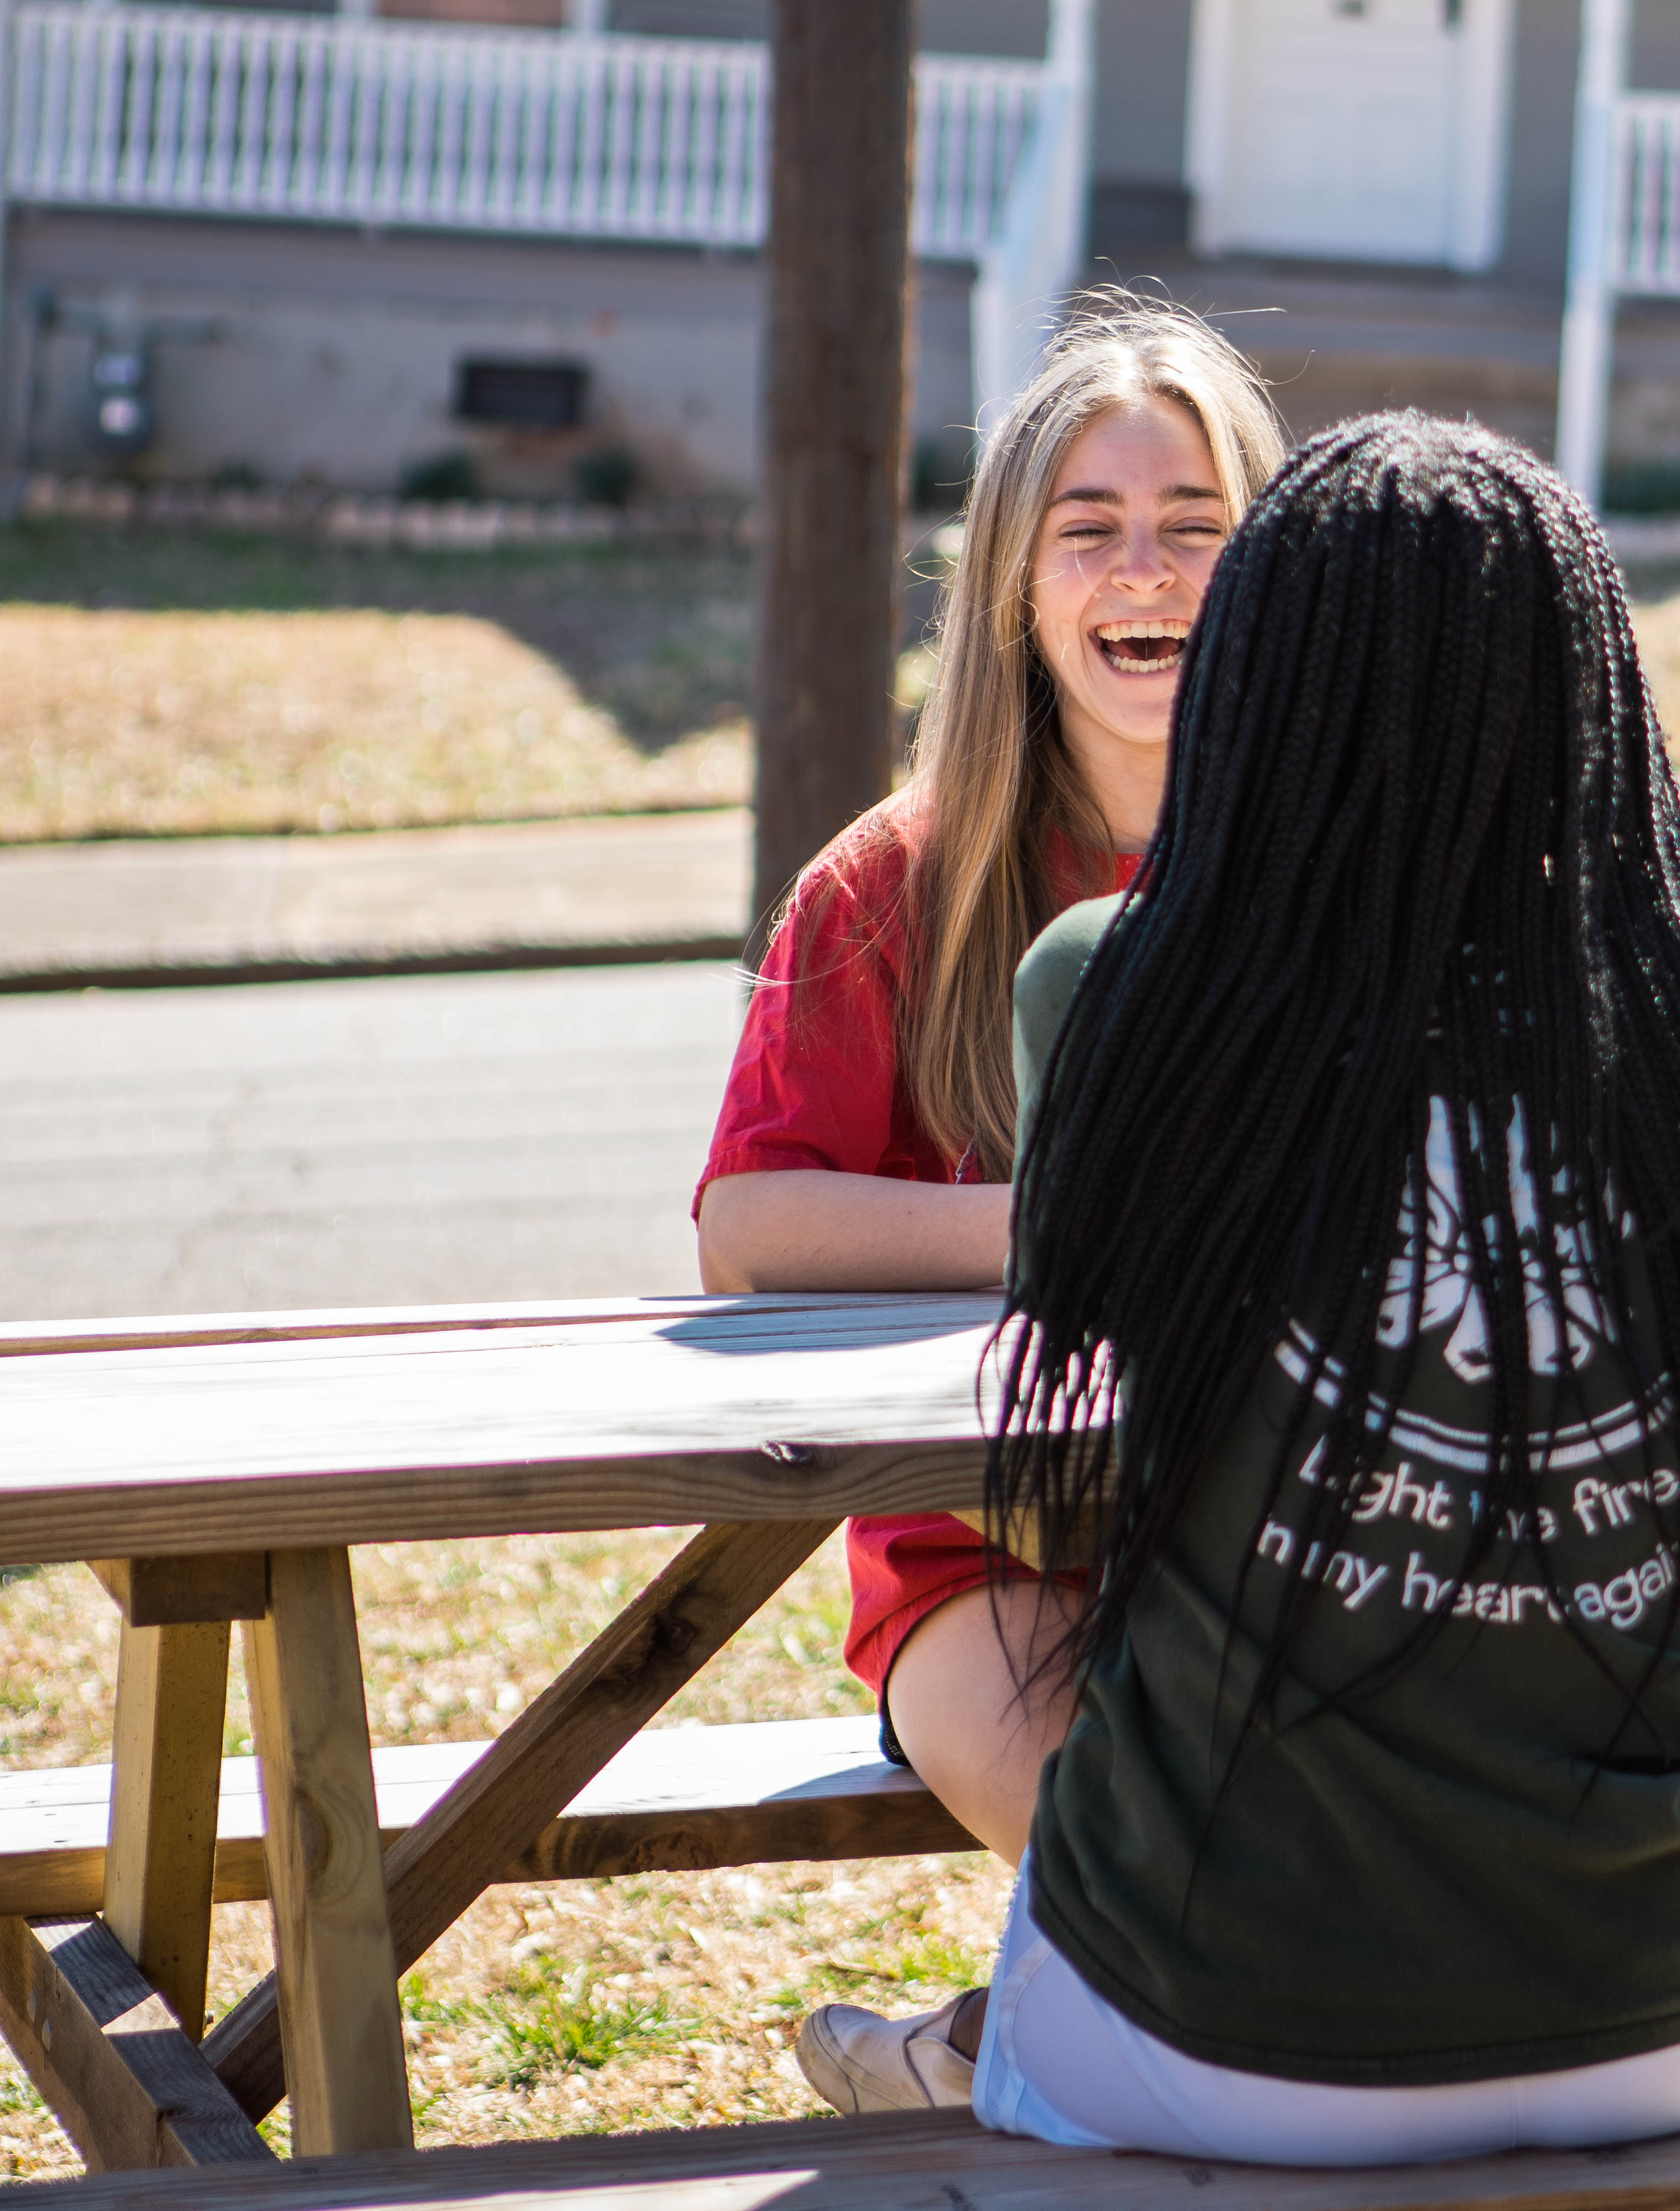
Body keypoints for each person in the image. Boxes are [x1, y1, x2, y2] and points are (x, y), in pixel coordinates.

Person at [962, 413, 1680, 2163]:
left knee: (1014, 2023)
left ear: (1253, 681)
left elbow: (1093, 1327)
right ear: (1596, 697)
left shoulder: (1108, 990)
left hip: (1230, 2023)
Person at [687, 293, 1286, 2110]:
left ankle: (966, 2055)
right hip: (984, 1557)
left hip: (1289, 1525)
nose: (1145, 571)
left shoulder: (1347, 857)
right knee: (1205, 1887)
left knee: (1364, 1871)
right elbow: (750, 1225)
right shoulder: (898, 877)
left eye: (1196, 525)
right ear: (1016, 582)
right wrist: (1068, 1234)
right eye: (1088, 531)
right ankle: (994, 2058)